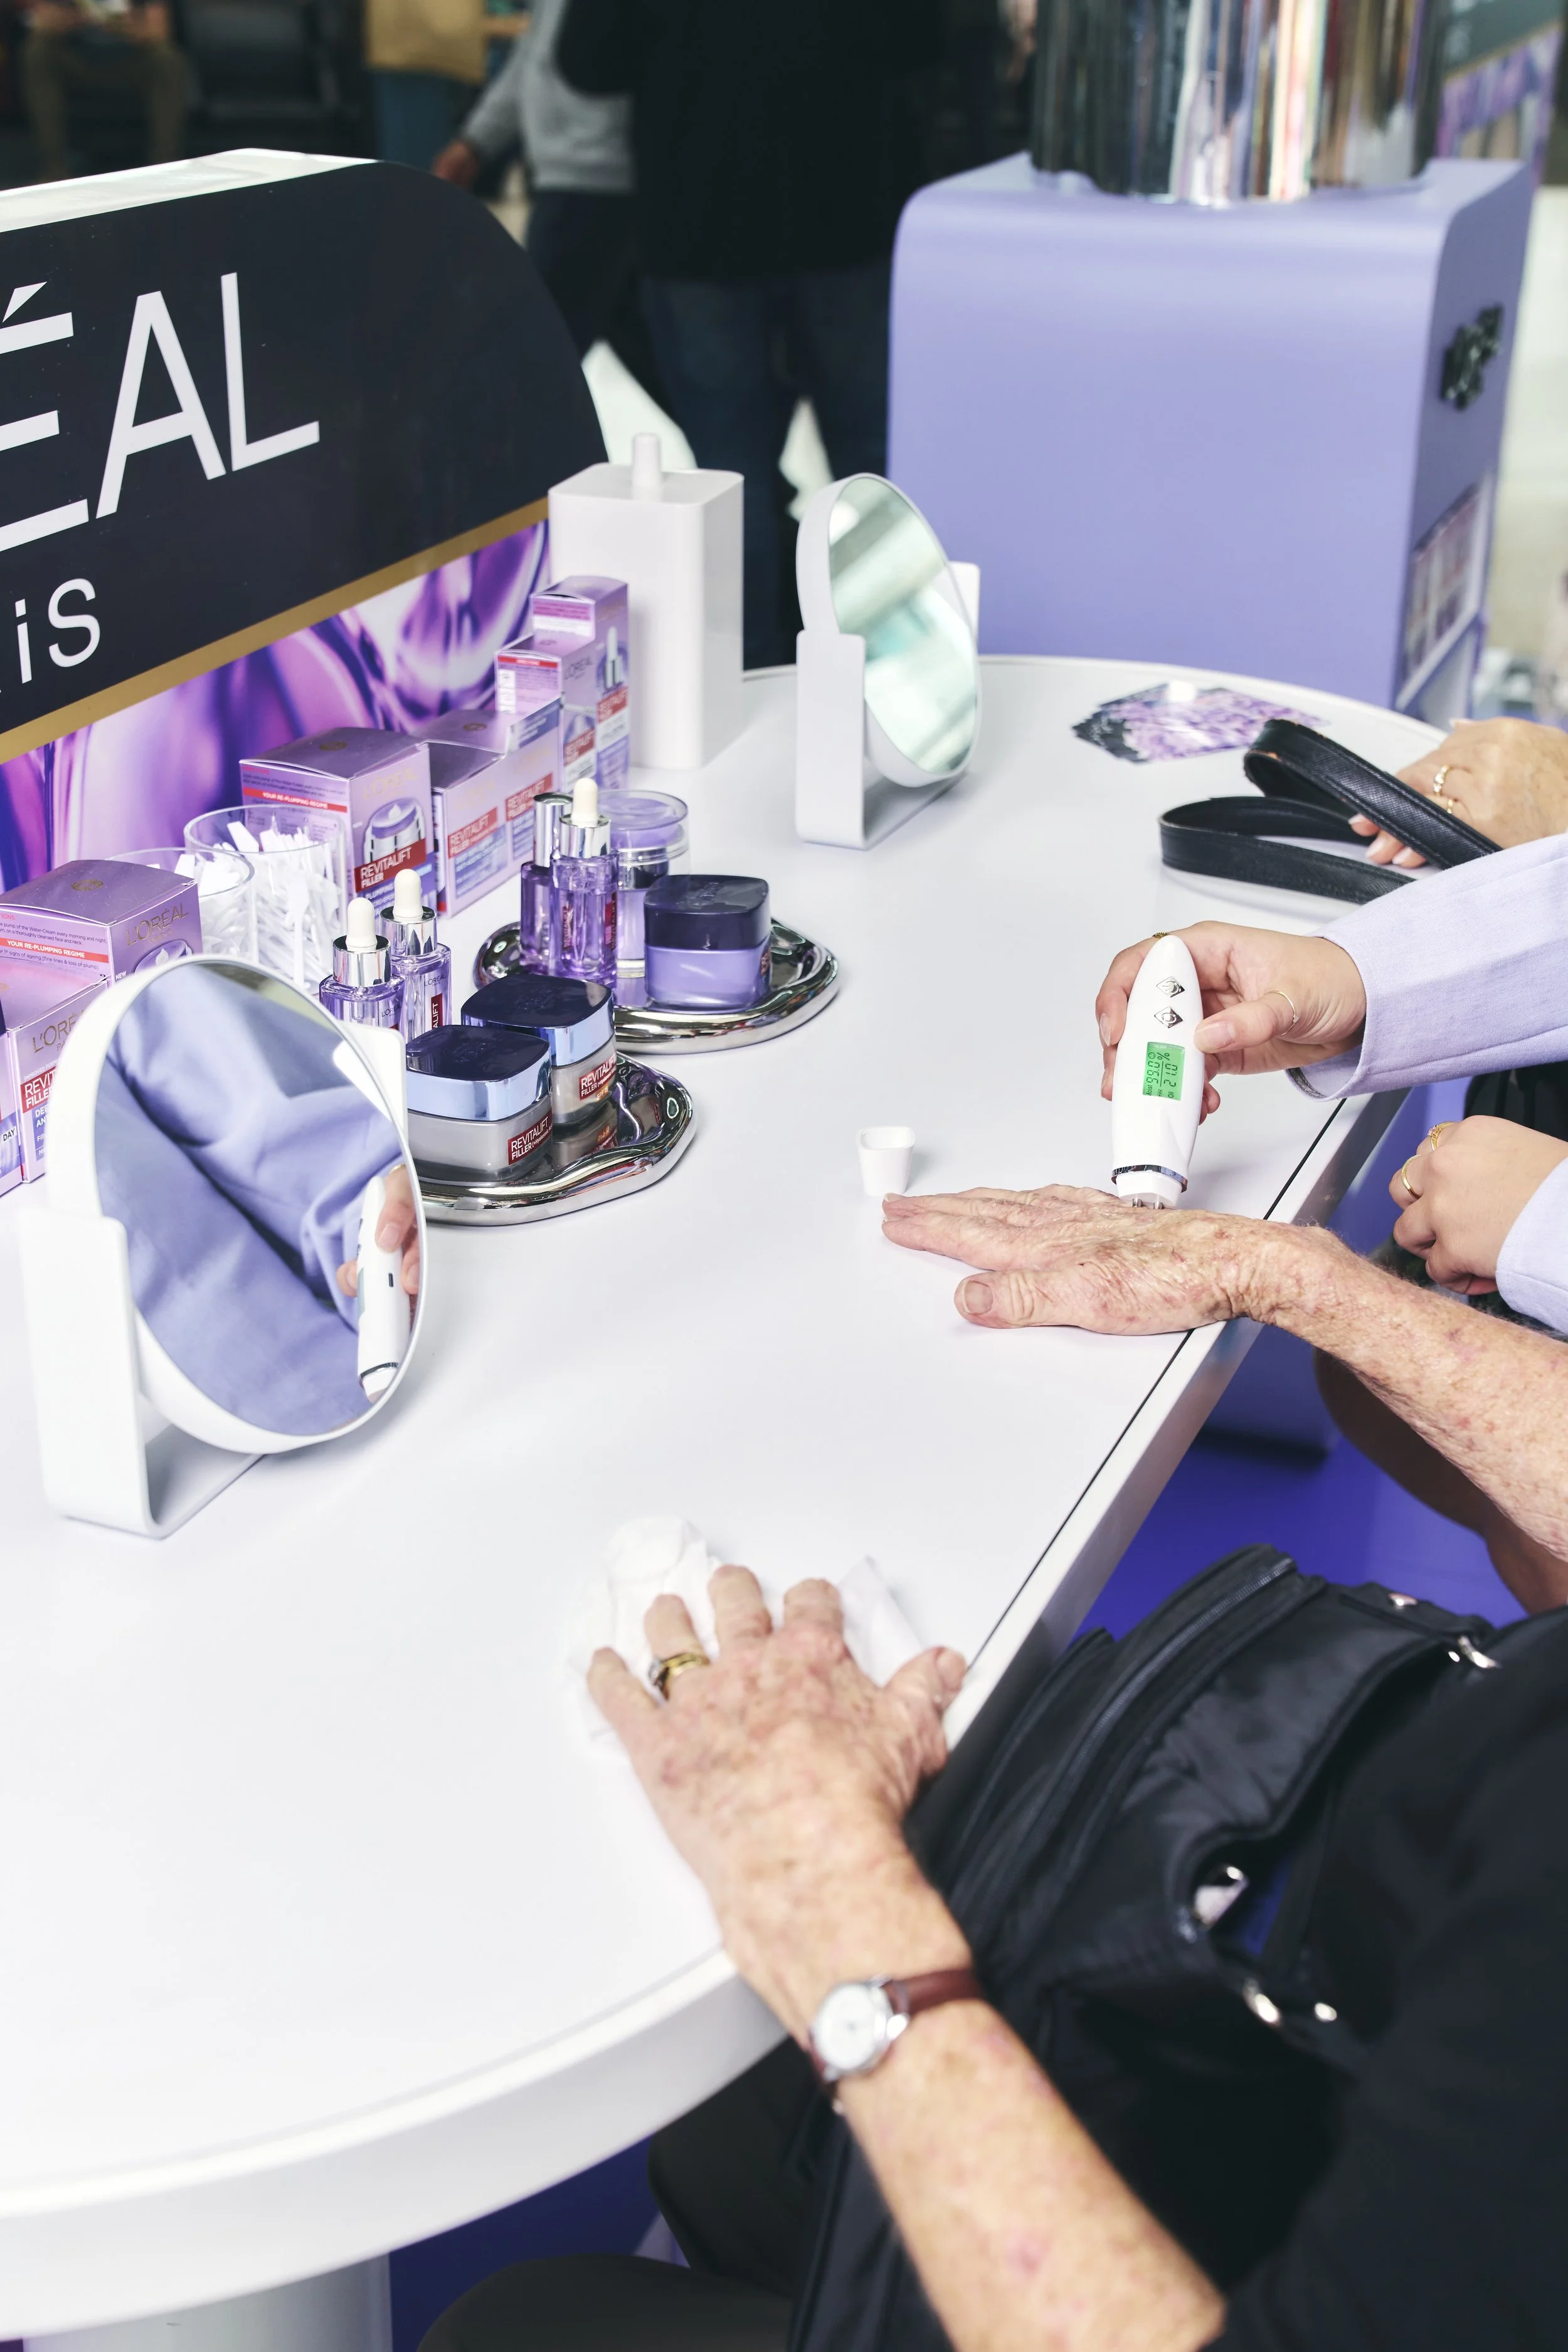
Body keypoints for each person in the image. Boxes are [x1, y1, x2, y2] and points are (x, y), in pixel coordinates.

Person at [556, 0, 946, 669]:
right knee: (872, 460)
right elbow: (919, 36)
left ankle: (757, 681)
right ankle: (904, 674)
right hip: (845, 204)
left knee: (732, 479)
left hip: (702, 214)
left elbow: (589, 60)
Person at [432, 0, 664, 409]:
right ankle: (753, 465)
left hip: (594, 177)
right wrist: (476, 141)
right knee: (660, 359)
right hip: (575, 173)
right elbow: (533, 56)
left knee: (526, 366)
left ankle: (495, 463)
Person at [21, 0, 186, 182]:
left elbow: (159, 32)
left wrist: (115, 24)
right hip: (77, 62)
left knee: (168, 60)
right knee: (38, 53)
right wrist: (77, 19)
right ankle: (53, 166)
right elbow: (40, 25)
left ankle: (164, 165)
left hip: (131, 64)